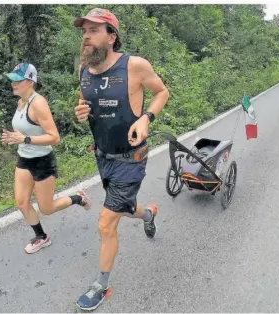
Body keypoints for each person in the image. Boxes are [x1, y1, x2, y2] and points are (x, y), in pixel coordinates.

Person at [72, 8, 170, 311]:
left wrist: (146, 119)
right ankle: (148, 214)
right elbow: (83, 104)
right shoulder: (83, 69)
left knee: (106, 224)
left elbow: (161, 92)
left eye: (94, 30)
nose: (86, 36)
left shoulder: (134, 66)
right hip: (103, 156)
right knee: (124, 208)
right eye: (84, 31)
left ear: (111, 37)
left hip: (131, 157)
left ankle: (100, 285)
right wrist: (80, 114)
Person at [2, 62, 92, 254]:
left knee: (47, 208)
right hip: (24, 159)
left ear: (29, 82)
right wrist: (13, 137)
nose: (13, 84)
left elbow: (54, 137)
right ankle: (41, 237)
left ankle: (78, 198)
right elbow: (25, 131)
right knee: (21, 202)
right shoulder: (20, 103)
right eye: (12, 80)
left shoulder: (39, 103)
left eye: (17, 80)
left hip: (42, 161)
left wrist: (24, 138)